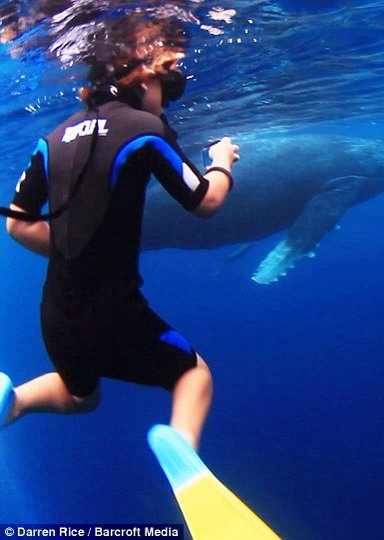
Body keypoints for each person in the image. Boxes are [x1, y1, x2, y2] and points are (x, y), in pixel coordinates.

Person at [0, 46, 239, 451]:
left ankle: (11, 403)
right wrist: (222, 162)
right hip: (111, 310)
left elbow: (17, 224)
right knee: (193, 375)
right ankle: (184, 457)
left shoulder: (53, 137)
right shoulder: (145, 129)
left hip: (55, 312)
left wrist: (79, 255)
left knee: (80, 397)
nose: (165, 97)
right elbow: (206, 203)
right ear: (144, 79)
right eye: (165, 85)